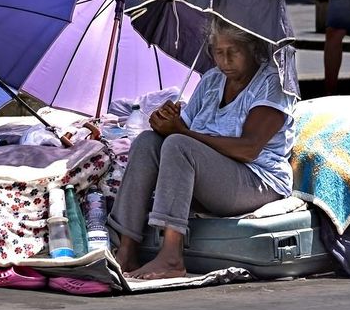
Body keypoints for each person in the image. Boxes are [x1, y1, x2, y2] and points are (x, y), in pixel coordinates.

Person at [109, 17, 297, 280]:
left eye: (234, 52)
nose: (225, 61)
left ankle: (171, 257)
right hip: (211, 180)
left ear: (253, 49)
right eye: (218, 52)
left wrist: (181, 132)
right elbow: (177, 132)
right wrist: (163, 122)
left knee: (179, 144)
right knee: (146, 142)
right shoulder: (211, 81)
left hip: (257, 182)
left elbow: (248, 149)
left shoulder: (272, 83)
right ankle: (126, 248)